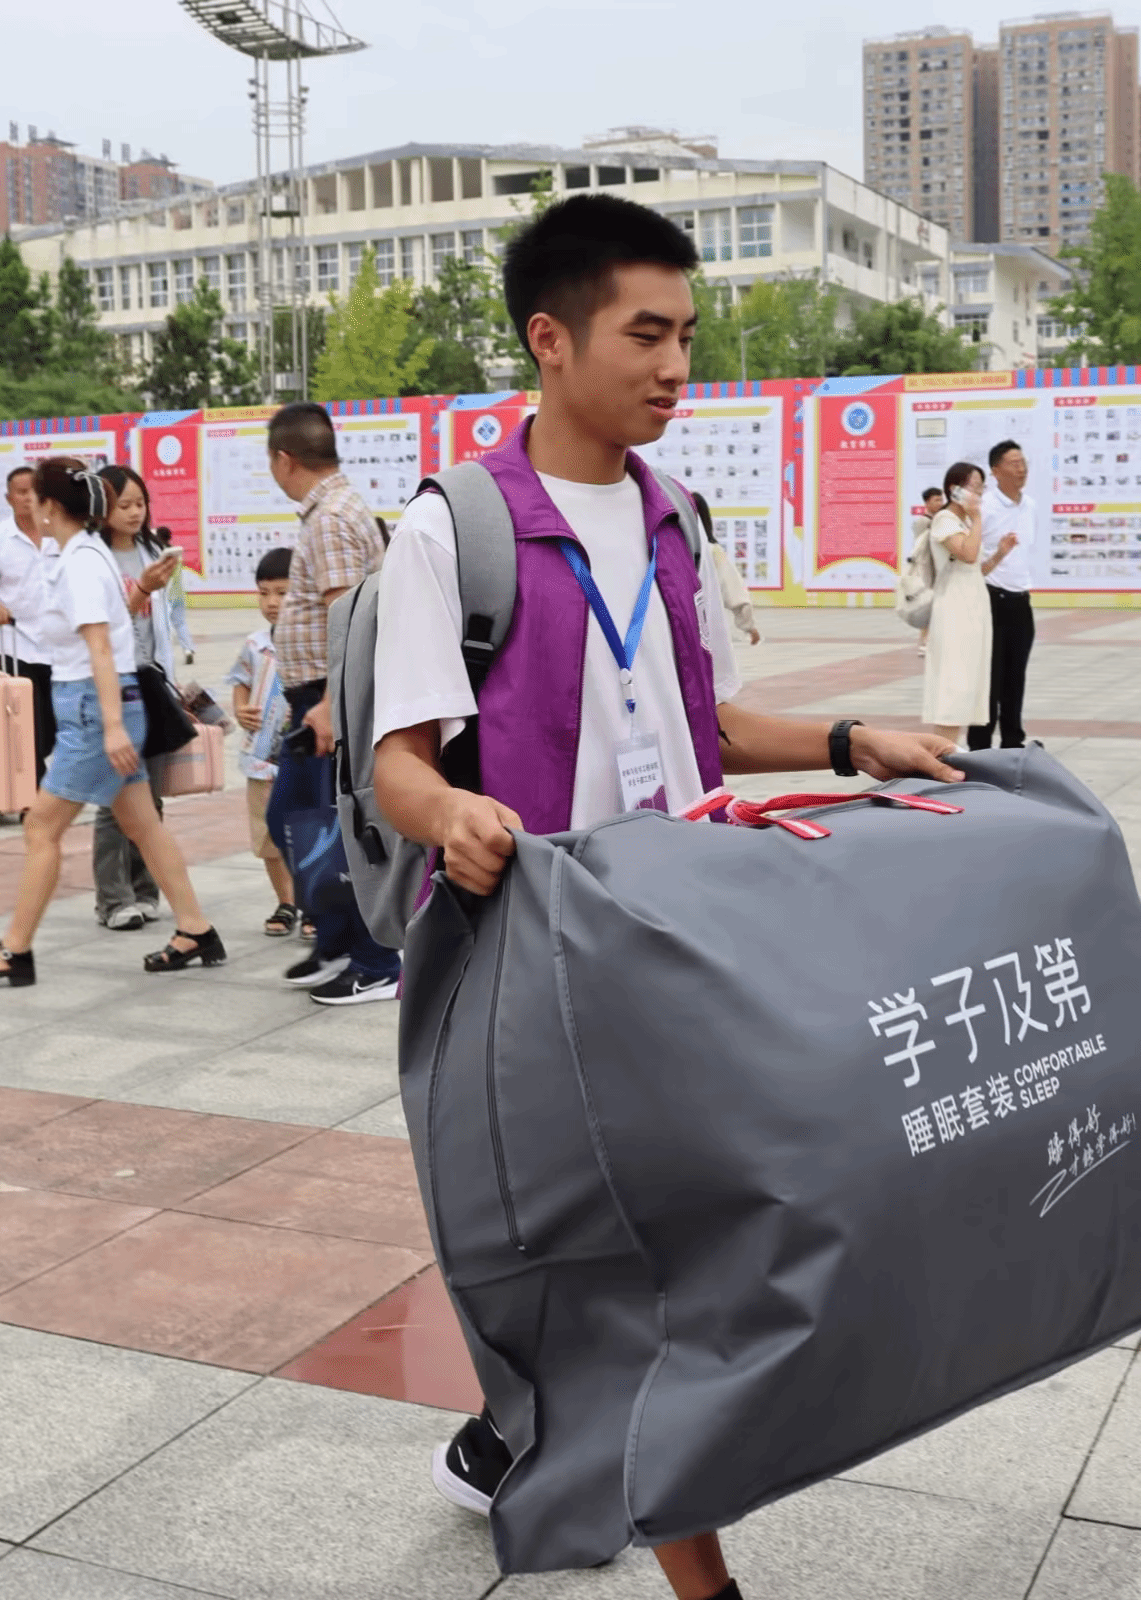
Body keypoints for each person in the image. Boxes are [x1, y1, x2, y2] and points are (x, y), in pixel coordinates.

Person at [371, 192, 960, 1600]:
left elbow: (710, 725)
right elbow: (397, 760)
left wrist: (849, 739)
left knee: (676, 1246)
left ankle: (509, 1432)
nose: (676, 365)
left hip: (686, 945)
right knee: (656, 1267)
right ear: (550, 338)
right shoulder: (453, 531)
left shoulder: (677, 519)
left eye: (687, 335)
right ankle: (703, 1579)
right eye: (646, 334)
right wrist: (452, 813)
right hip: (543, 968)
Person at [0, 457, 222, 987]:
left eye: (35, 498)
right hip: (98, 706)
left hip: (95, 711)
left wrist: (113, 727)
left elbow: (101, 648)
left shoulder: (80, 562)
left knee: (41, 826)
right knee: (142, 825)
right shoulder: (84, 553)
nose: (31, 506)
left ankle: (14, 950)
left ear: (50, 506)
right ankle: (196, 929)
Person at [264, 401, 400, 1005]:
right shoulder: (332, 512)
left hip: (329, 699)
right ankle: (337, 942)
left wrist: (329, 706)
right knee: (295, 818)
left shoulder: (332, 519)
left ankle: (375, 962)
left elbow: (346, 619)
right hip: (318, 697)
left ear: (284, 459)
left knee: (337, 830)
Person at [90, 464, 182, 931]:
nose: (133, 512)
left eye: (139, 503)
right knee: (115, 797)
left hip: (150, 679)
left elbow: (165, 623)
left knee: (151, 796)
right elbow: (104, 629)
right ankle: (113, 899)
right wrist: (142, 589)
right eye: (123, 504)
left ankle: (146, 891)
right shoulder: (94, 559)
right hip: (113, 683)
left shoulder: (152, 552)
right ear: (102, 509)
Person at [0, 465, 60, 782]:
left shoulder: (59, 534)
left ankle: (43, 779)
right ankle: (34, 790)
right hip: (18, 645)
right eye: (21, 492)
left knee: (56, 724)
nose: (28, 498)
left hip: (61, 646)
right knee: (29, 724)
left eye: (34, 491)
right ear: (8, 498)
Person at [227, 546, 298, 935]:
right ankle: (286, 903)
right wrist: (241, 710)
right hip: (260, 761)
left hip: (301, 757)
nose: (272, 602)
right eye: (264, 593)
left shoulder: (311, 642)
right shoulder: (255, 645)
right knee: (267, 833)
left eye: (282, 593)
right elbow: (240, 681)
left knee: (305, 829)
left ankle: (312, 904)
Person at [921, 462, 996, 744]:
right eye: (974, 487)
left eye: (981, 487)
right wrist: (977, 518)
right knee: (955, 682)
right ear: (955, 490)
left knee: (968, 680)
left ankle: (952, 748)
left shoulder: (963, 522)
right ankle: (943, 751)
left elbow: (976, 568)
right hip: (954, 608)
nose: (979, 494)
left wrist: (1000, 553)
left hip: (973, 604)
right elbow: (967, 554)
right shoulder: (945, 520)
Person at [969, 439, 1038, 749]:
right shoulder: (983, 507)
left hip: (1020, 601)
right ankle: (980, 745)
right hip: (990, 600)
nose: (1021, 469)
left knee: (1015, 676)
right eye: (1014, 463)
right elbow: (971, 557)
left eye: (1023, 462)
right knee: (989, 678)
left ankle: (1013, 742)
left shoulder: (1030, 506)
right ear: (995, 471)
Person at [691, 492, 760, 645]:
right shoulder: (710, 550)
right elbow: (734, 590)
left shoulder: (709, 551)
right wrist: (749, 626)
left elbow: (733, 590)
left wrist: (749, 626)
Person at [910, 486, 945, 655]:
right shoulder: (923, 522)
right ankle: (923, 642)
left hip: (938, 568)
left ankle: (932, 641)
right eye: (936, 500)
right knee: (928, 607)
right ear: (927, 502)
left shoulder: (939, 520)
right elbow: (922, 548)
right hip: (927, 569)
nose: (940, 503)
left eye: (941, 499)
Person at [156, 526, 195, 664]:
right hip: (179, 594)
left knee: (164, 626)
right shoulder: (177, 554)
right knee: (181, 623)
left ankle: (165, 654)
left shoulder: (161, 554)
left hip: (165, 595)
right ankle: (188, 649)